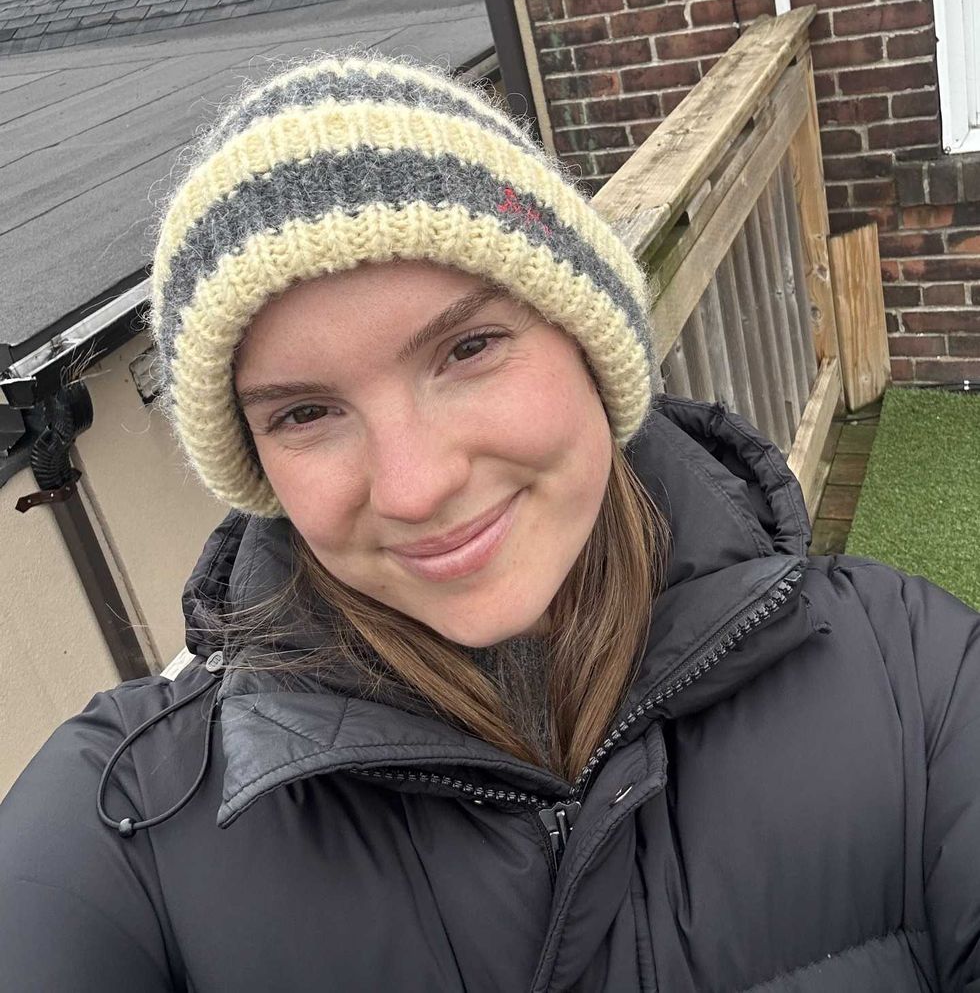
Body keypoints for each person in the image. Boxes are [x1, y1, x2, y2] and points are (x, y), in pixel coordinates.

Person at [1, 54, 978, 993]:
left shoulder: (916, 686)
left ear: (585, 339)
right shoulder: (129, 819)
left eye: (467, 347)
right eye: (304, 412)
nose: (416, 484)